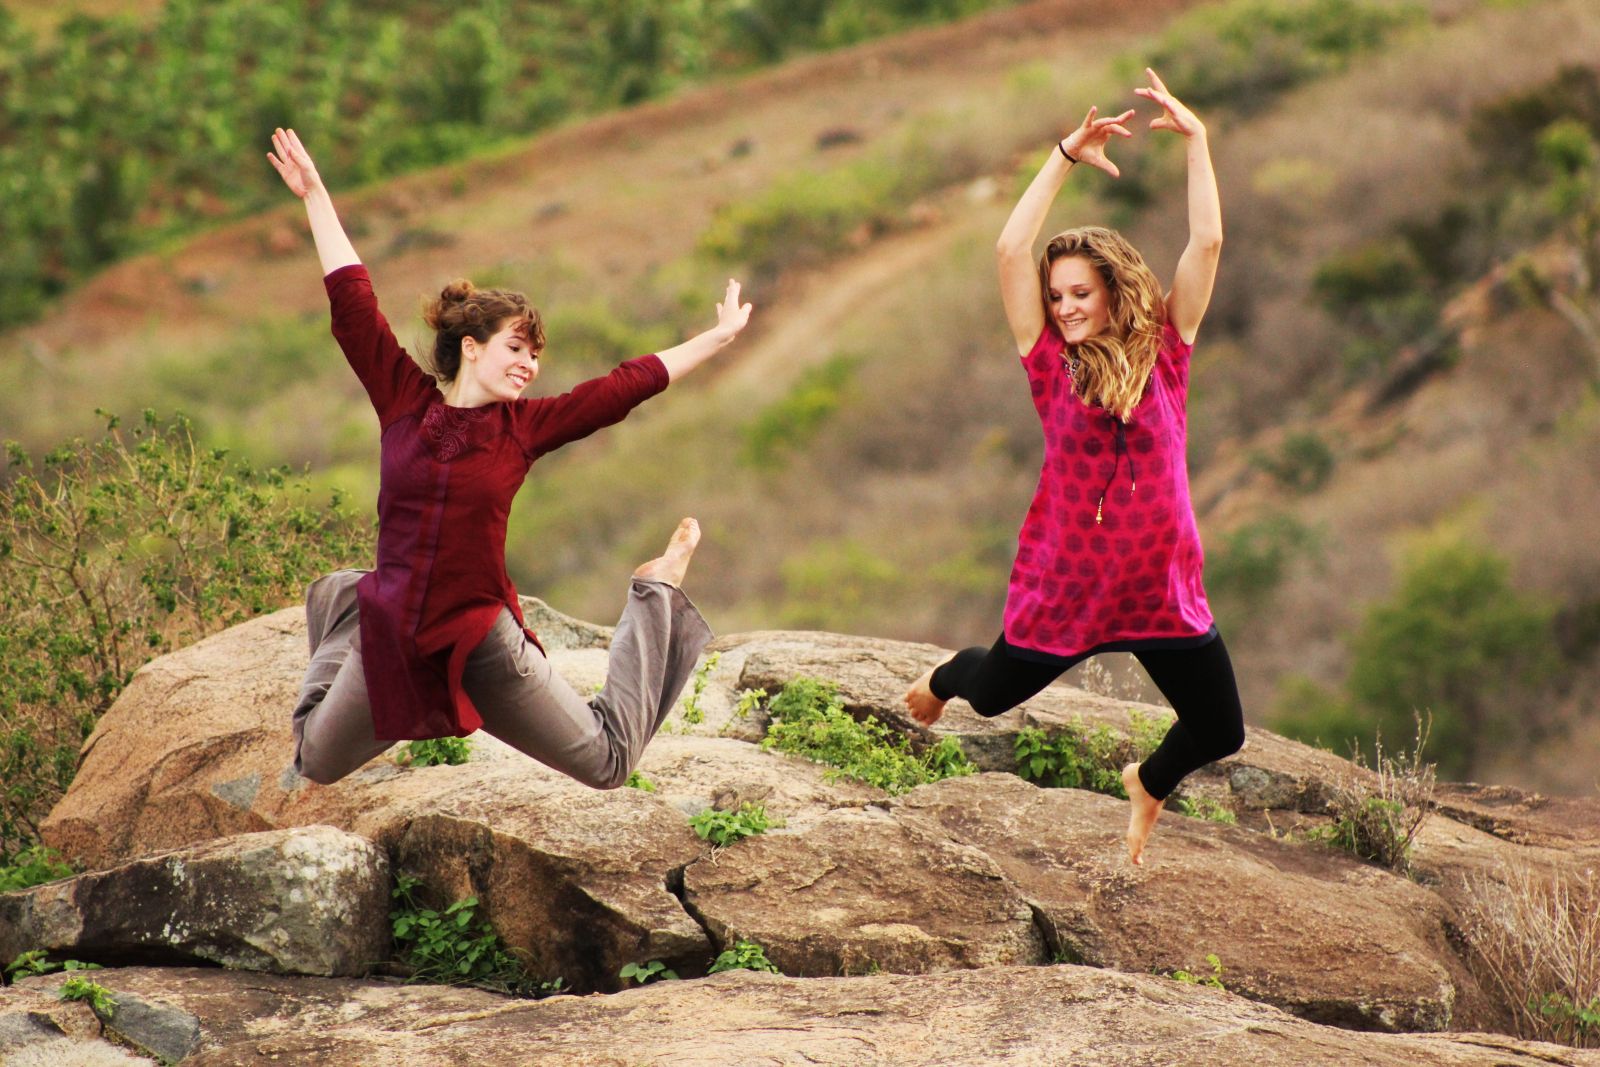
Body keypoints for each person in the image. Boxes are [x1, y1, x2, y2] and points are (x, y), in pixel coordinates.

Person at [268, 127, 752, 787]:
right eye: (516, 348)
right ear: (471, 346)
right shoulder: (404, 403)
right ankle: (352, 599)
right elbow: (354, 307)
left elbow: (620, 388)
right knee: (316, 762)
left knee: (607, 763)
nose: (529, 364)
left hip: (480, 639)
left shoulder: (522, 429)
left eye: (535, 354)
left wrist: (716, 339)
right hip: (395, 630)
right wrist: (316, 195)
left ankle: (656, 590)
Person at [903, 71, 1242, 865]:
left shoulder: (1167, 351)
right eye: (1056, 296)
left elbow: (1209, 244)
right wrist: (1063, 156)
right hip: (1071, 589)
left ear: (1113, 289)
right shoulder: (1048, 362)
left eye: (1079, 292)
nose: (1065, 307)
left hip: (1160, 586)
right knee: (988, 694)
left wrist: (1198, 144)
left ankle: (1148, 782)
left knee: (1219, 729)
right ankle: (944, 678)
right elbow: (1009, 247)